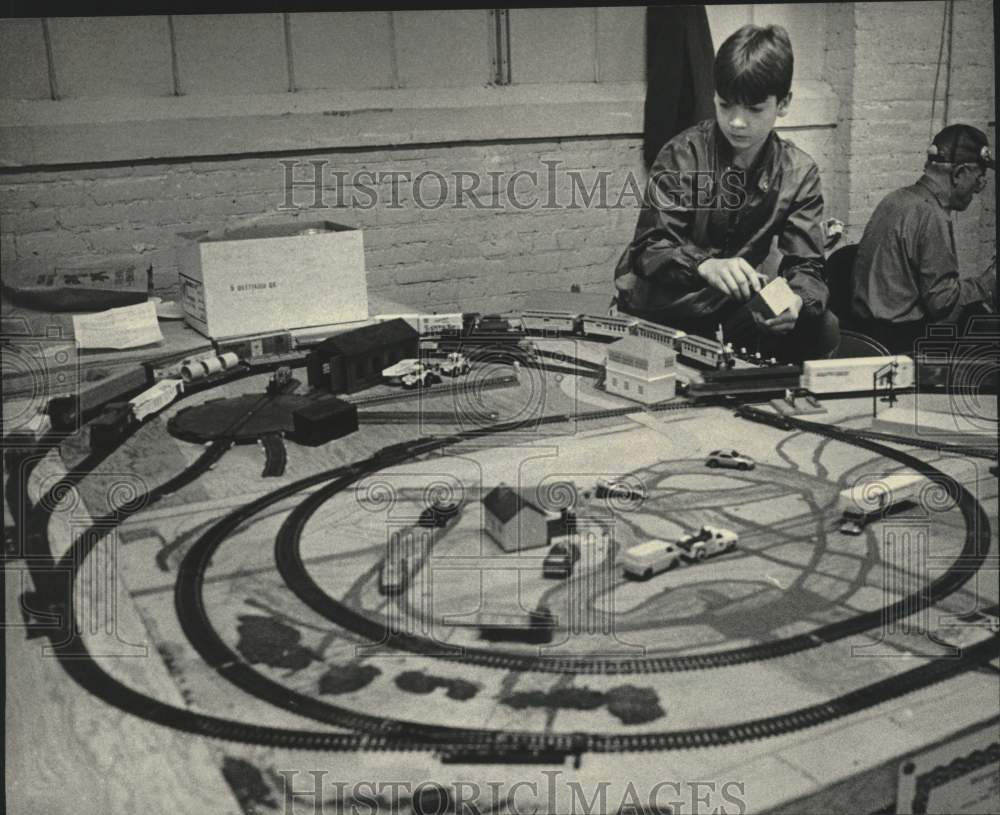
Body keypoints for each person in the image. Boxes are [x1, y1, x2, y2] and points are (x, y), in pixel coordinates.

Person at [613, 24, 839, 362]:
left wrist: (795, 299)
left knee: (822, 326)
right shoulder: (681, 155)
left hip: (728, 314)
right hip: (662, 311)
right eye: (725, 105)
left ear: (784, 103)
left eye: (754, 109)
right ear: (714, 97)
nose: (736, 122)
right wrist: (706, 265)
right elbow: (648, 249)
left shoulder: (799, 172)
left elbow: (807, 266)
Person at [849, 124, 996, 354]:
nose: (977, 190)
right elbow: (942, 303)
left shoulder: (896, 199)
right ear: (958, 174)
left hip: (864, 334)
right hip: (900, 342)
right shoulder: (931, 215)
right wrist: (988, 281)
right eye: (979, 180)